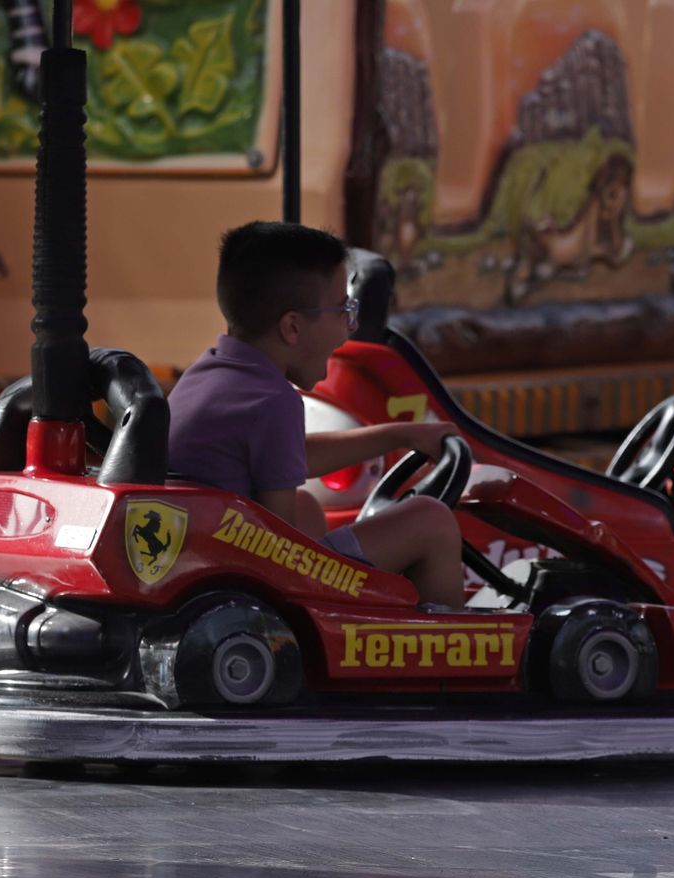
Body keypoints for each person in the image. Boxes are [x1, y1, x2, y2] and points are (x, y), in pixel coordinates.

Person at [167, 221, 465, 609]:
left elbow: (289, 458)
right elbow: (282, 552)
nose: (348, 326)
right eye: (343, 310)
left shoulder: (210, 374)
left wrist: (400, 435)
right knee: (431, 520)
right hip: (253, 585)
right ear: (292, 327)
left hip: (207, 561)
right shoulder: (271, 401)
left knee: (307, 507)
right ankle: (451, 655)